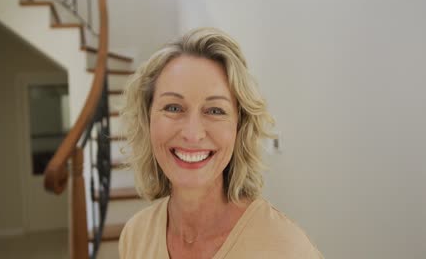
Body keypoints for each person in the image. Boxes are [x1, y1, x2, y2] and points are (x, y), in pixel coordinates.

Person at [119, 27, 324, 259]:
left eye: (215, 110)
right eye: (173, 108)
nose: (193, 134)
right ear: (147, 120)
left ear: (239, 127)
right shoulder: (135, 235)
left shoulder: (288, 249)